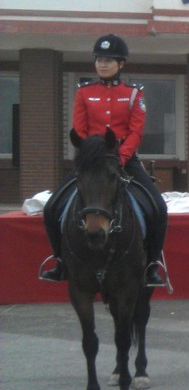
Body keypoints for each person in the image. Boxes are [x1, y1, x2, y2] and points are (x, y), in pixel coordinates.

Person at [40, 34, 169, 286]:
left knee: (159, 208)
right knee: (51, 207)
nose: (102, 64)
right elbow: (79, 129)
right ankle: (60, 262)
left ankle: (152, 265)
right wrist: (91, 155)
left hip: (125, 159)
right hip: (91, 161)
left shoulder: (133, 94)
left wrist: (120, 157)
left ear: (121, 64)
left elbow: (135, 132)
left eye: (109, 60)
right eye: (99, 59)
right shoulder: (84, 92)